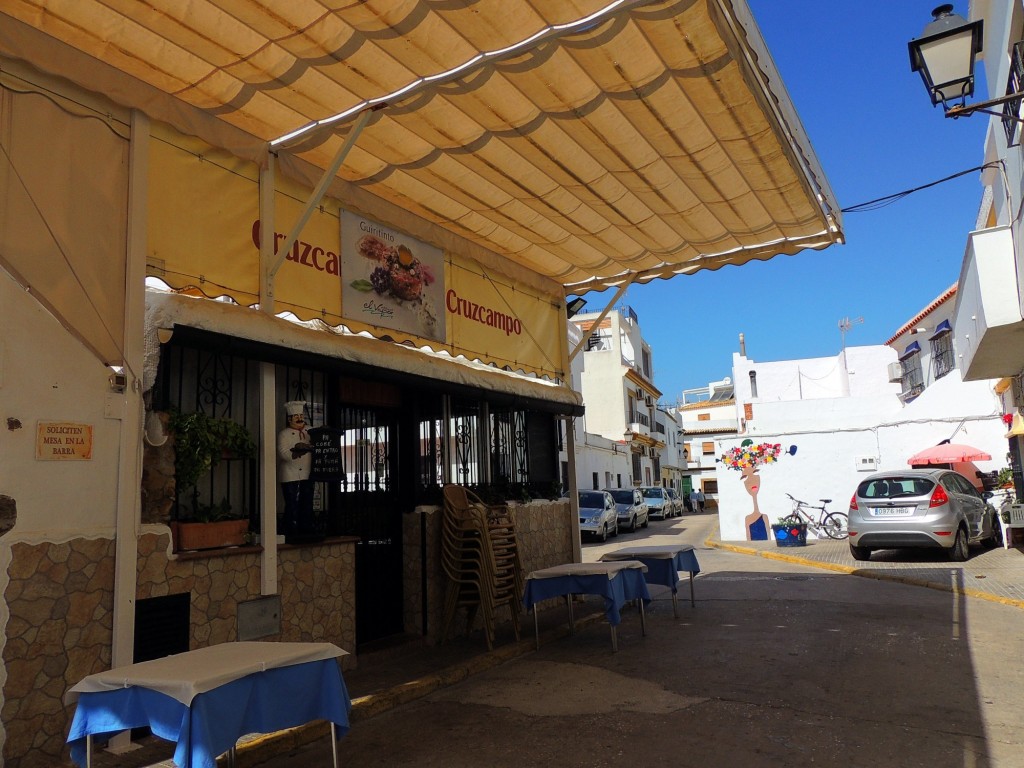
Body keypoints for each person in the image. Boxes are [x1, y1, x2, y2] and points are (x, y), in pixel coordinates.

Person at [277, 401, 314, 538]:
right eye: (296, 416)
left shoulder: (311, 431)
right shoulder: (284, 434)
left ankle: (306, 528)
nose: (299, 418)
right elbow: (283, 452)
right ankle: (291, 530)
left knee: (307, 502)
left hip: (307, 473)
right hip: (290, 474)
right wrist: (298, 452)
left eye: (300, 415)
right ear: (289, 419)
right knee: (292, 503)